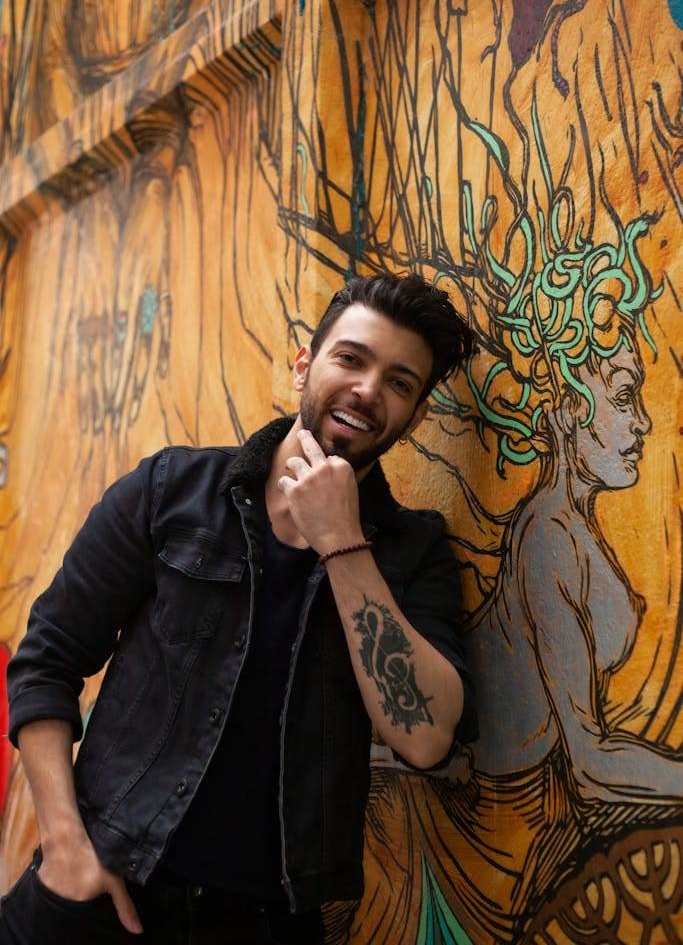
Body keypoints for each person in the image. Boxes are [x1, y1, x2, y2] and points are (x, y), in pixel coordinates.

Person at [1, 273, 477, 945]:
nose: (369, 390)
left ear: (416, 416)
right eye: (351, 359)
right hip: (100, 888)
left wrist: (342, 543)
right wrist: (65, 844)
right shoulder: (171, 491)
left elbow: (425, 737)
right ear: (305, 366)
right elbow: (45, 662)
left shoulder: (412, 551)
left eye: (400, 383)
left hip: (265, 920)